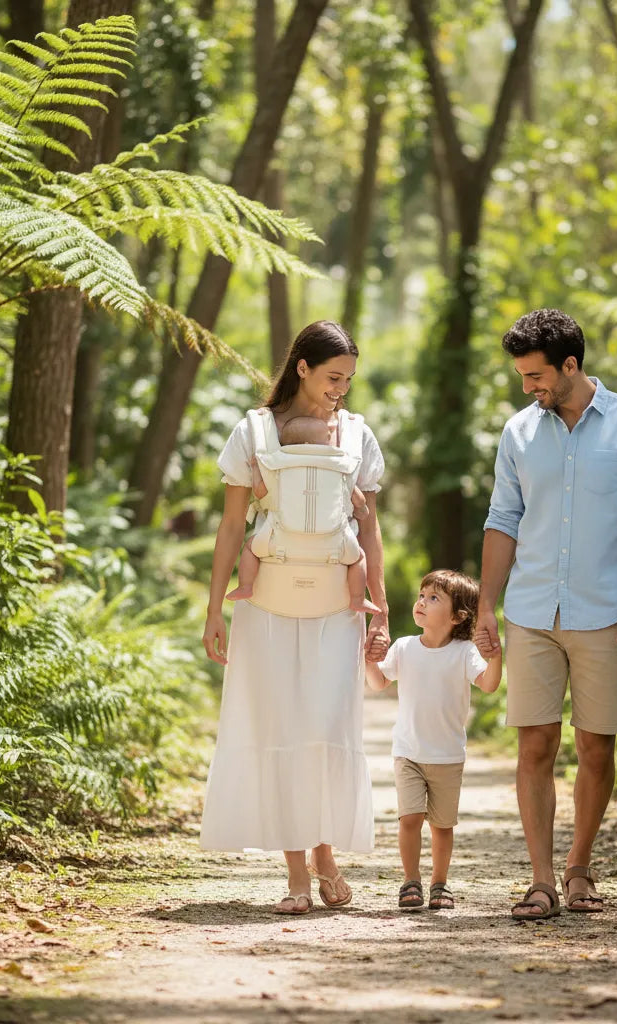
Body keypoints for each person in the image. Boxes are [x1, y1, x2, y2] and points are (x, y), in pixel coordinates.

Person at [475, 308, 617, 920]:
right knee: (534, 743)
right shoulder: (519, 432)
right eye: (521, 378)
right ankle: (540, 880)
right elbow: (503, 519)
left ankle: (580, 866)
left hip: (605, 613)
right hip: (531, 609)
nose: (527, 388)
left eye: (535, 376)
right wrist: (485, 603)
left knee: (596, 747)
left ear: (570, 365)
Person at [201, 320, 390, 915]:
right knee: (279, 728)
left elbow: (370, 530)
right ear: (302, 366)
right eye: (334, 377)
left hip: (338, 608)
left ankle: (326, 853)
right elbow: (233, 527)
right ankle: (296, 874)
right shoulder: (253, 432)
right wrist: (214, 610)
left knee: (326, 728)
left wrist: (379, 610)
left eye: (349, 380)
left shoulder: (358, 435)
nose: (342, 389)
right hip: (265, 607)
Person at [365, 570, 502, 912]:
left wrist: (497, 657)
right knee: (409, 818)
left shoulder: (464, 651)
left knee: (442, 826)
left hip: (448, 756)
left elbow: (488, 684)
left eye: (434, 598)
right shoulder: (405, 646)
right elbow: (379, 683)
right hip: (408, 751)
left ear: (458, 616)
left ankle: (439, 883)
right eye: (421, 595)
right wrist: (368, 660)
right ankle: (411, 880)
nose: (421, 602)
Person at [225, 414, 378, 614]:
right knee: (358, 558)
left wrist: (255, 468)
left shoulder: (279, 467)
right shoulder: (340, 467)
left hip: (279, 539)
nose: (329, 440)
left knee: (250, 549)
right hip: (334, 542)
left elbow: (260, 491)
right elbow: (358, 500)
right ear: (311, 443)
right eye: (326, 437)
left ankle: (246, 586)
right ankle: (358, 598)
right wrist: (362, 510)